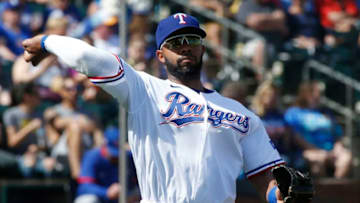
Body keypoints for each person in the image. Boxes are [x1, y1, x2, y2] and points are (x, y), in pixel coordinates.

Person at [23, 13, 289, 203]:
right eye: (176, 42)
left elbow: (267, 178)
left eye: (192, 40)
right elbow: (85, 57)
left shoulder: (242, 115)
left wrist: (282, 194)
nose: (185, 46)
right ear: (161, 55)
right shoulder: (144, 90)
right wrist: (48, 41)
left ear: (203, 49)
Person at [284, 80, 352, 178]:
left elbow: (336, 134)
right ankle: (322, 192)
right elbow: (296, 137)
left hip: (330, 150)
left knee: (346, 157)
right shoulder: (294, 113)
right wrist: (317, 150)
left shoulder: (326, 113)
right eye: (315, 92)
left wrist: (338, 147)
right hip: (307, 151)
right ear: (306, 93)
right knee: (318, 161)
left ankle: (335, 189)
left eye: (320, 93)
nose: (319, 95)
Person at [74, 126, 140, 203]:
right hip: (101, 198)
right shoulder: (93, 156)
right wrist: (106, 192)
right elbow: (84, 187)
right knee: (86, 200)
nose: (116, 156)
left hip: (125, 197)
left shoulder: (129, 157)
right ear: (104, 145)